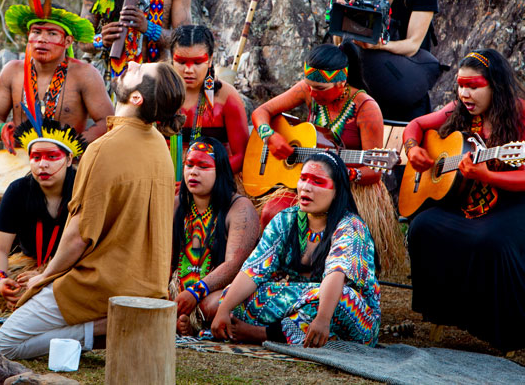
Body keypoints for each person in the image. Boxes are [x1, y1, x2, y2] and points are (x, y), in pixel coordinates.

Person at [0, 61, 186, 359]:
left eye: (138, 71)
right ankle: (111, 326)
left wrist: (43, 278)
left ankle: (102, 328)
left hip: (100, 284)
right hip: (148, 286)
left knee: (7, 342)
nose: (132, 62)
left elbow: (79, 235)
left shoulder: (102, 149)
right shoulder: (160, 144)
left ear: (137, 98)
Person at [0, 0, 113, 235]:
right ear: (27, 38)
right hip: (22, 159)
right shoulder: (12, 71)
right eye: (36, 32)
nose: (42, 39)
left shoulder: (85, 75)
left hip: (66, 165)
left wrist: (75, 146)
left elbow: (107, 121)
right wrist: (2, 129)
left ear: (68, 41)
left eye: (52, 33)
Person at [403, 49, 525, 353]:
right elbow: (416, 126)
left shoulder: (520, 114)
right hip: (468, 204)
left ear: (494, 85)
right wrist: (413, 148)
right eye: (460, 84)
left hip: (513, 204)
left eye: (473, 86)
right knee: (422, 227)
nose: (464, 93)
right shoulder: (458, 109)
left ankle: (506, 332)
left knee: (492, 242)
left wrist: (488, 176)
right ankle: (444, 313)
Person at [250, 44, 405, 275]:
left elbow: (374, 172)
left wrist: (344, 174)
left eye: (320, 88)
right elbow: (261, 112)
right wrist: (269, 136)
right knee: (272, 210)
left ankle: (314, 277)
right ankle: (275, 273)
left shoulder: (365, 107)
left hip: (349, 189)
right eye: (309, 87)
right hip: (305, 182)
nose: (311, 94)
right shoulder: (309, 88)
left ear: (341, 82)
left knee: (286, 211)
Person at [211, 153, 381, 347]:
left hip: (351, 315)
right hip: (302, 301)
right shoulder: (286, 220)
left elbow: (336, 274)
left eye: (317, 181)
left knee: (342, 297)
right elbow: (254, 269)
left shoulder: (350, 226)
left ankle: (262, 333)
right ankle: (291, 330)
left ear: (337, 191)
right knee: (233, 295)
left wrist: (323, 319)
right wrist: (224, 309)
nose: (306, 187)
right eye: (303, 179)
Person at [0, 116, 86, 310]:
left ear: (68, 160)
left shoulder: (83, 191)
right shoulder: (17, 191)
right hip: (28, 267)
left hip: (72, 272)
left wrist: (47, 275)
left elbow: (89, 252)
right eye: (36, 157)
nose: (42, 165)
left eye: (52, 157)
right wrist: (0, 280)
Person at [340, 0, 441, 120]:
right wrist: (344, 17)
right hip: (363, 84)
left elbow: (412, 46)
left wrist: (379, 45)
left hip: (402, 82)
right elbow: (340, 42)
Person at [171, 138, 259, 335]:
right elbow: (165, 260)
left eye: (203, 166)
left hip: (220, 291)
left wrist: (196, 292)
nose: (193, 172)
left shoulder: (240, 208)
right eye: (189, 164)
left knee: (213, 306)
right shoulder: (176, 204)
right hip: (179, 289)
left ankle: (193, 321)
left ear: (220, 171)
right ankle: (180, 319)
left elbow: (235, 264)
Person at [169, 25, 249, 176]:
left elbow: (242, 155)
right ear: (172, 59)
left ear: (210, 60)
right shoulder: (159, 94)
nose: (189, 70)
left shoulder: (226, 96)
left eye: (198, 63)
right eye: (181, 62)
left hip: (214, 185)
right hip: (165, 183)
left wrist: (205, 179)